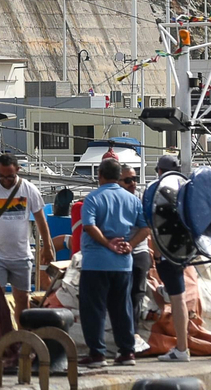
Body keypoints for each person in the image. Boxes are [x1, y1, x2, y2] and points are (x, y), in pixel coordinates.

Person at [79, 156, 149, 367]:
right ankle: (127, 352)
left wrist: (107, 243)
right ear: (119, 177)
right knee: (123, 308)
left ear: (99, 175)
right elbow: (146, 228)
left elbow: (89, 226)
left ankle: (97, 354)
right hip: (123, 263)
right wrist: (130, 244)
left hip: (95, 263)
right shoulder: (133, 200)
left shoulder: (93, 198)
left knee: (94, 309)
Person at [0, 152, 54, 317]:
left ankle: (21, 339)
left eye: (9, 177)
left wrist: (47, 246)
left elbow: (41, 220)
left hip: (21, 254)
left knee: (22, 301)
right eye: (1, 176)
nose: (5, 181)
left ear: (18, 170)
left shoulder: (29, 189)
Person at [147, 154, 193, 362]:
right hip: (183, 251)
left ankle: (181, 349)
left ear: (159, 171)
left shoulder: (156, 191)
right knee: (176, 294)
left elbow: (154, 226)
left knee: (178, 299)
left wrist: (156, 256)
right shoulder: (185, 190)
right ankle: (166, 290)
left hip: (167, 253)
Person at [120, 165, 151, 324]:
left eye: (134, 179)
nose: (133, 183)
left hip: (138, 251)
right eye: (127, 180)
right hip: (117, 252)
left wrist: (130, 245)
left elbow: (147, 228)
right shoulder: (113, 200)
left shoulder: (142, 200)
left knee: (136, 295)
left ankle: (133, 334)